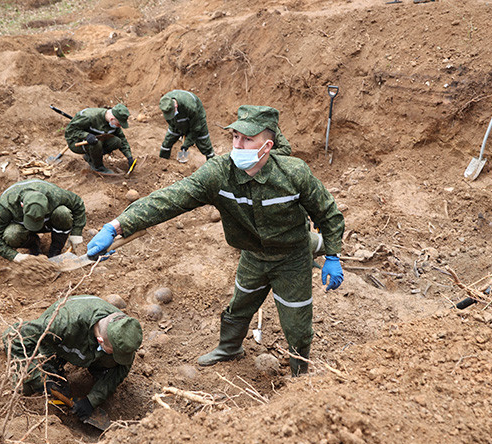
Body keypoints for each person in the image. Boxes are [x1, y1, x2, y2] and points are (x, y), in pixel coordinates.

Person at [87, 105, 344, 376]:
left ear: (267, 145)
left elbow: (328, 213)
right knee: (240, 305)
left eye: (247, 139)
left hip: (292, 258)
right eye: (235, 137)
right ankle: (229, 347)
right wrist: (117, 226)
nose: (238, 144)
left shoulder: (293, 174)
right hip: (253, 257)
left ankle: (300, 375)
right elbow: (171, 198)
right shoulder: (219, 173)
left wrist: (334, 256)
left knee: (297, 321)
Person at [3, 295, 143, 420]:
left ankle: (96, 369)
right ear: (100, 340)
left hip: (88, 347)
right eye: (113, 351)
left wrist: (91, 400)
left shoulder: (122, 330)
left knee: (112, 363)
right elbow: (13, 335)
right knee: (28, 387)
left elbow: (123, 367)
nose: (119, 356)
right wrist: (37, 376)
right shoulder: (62, 324)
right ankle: (52, 368)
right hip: (57, 344)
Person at [0, 179, 86, 262]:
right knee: (11, 235)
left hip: (48, 223)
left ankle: (55, 250)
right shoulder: (7, 204)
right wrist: (15, 256)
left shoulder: (55, 195)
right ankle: (33, 244)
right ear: (22, 205)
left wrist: (76, 233)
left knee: (63, 213)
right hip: (23, 228)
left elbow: (78, 204)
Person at [64, 104, 133, 174]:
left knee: (117, 141)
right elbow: (70, 131)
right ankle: (98, 167)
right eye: (119, 124)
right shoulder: (89, 117)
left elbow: (122, 138)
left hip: (96, 140)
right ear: (112, 119)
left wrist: (129, 157)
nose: (119, 126)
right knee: (97, 143)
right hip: (76, 142)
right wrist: (86, 135)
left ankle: (90, 157)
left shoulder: (113, 124)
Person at [158, 90, 216, 161]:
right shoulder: (165, 102)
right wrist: (181, 129)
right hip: (179, 115)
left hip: (197, 116)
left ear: (175, 105)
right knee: (169, 138)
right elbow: (170, 122)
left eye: (172, 112)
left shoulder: (190, 106)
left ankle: (212, 162)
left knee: (203, 141)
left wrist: (186, 144)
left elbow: (196, 128)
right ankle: (162, 160)